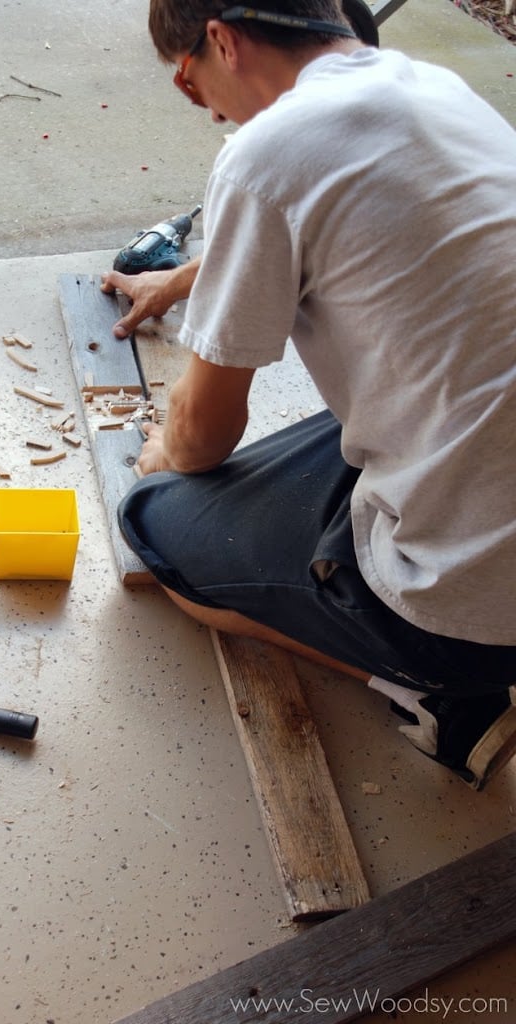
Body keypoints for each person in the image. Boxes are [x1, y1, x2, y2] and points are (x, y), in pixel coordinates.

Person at [100, 0, 516, 790]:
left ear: (220, 40)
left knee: (159, 527)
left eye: (192, 85)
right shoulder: (438, 88)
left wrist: (159, 453)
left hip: (477, 612)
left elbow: (204, 438)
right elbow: (359, 221)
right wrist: (190, 277)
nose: (210, 109)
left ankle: (442, 691)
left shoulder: (265, 152)